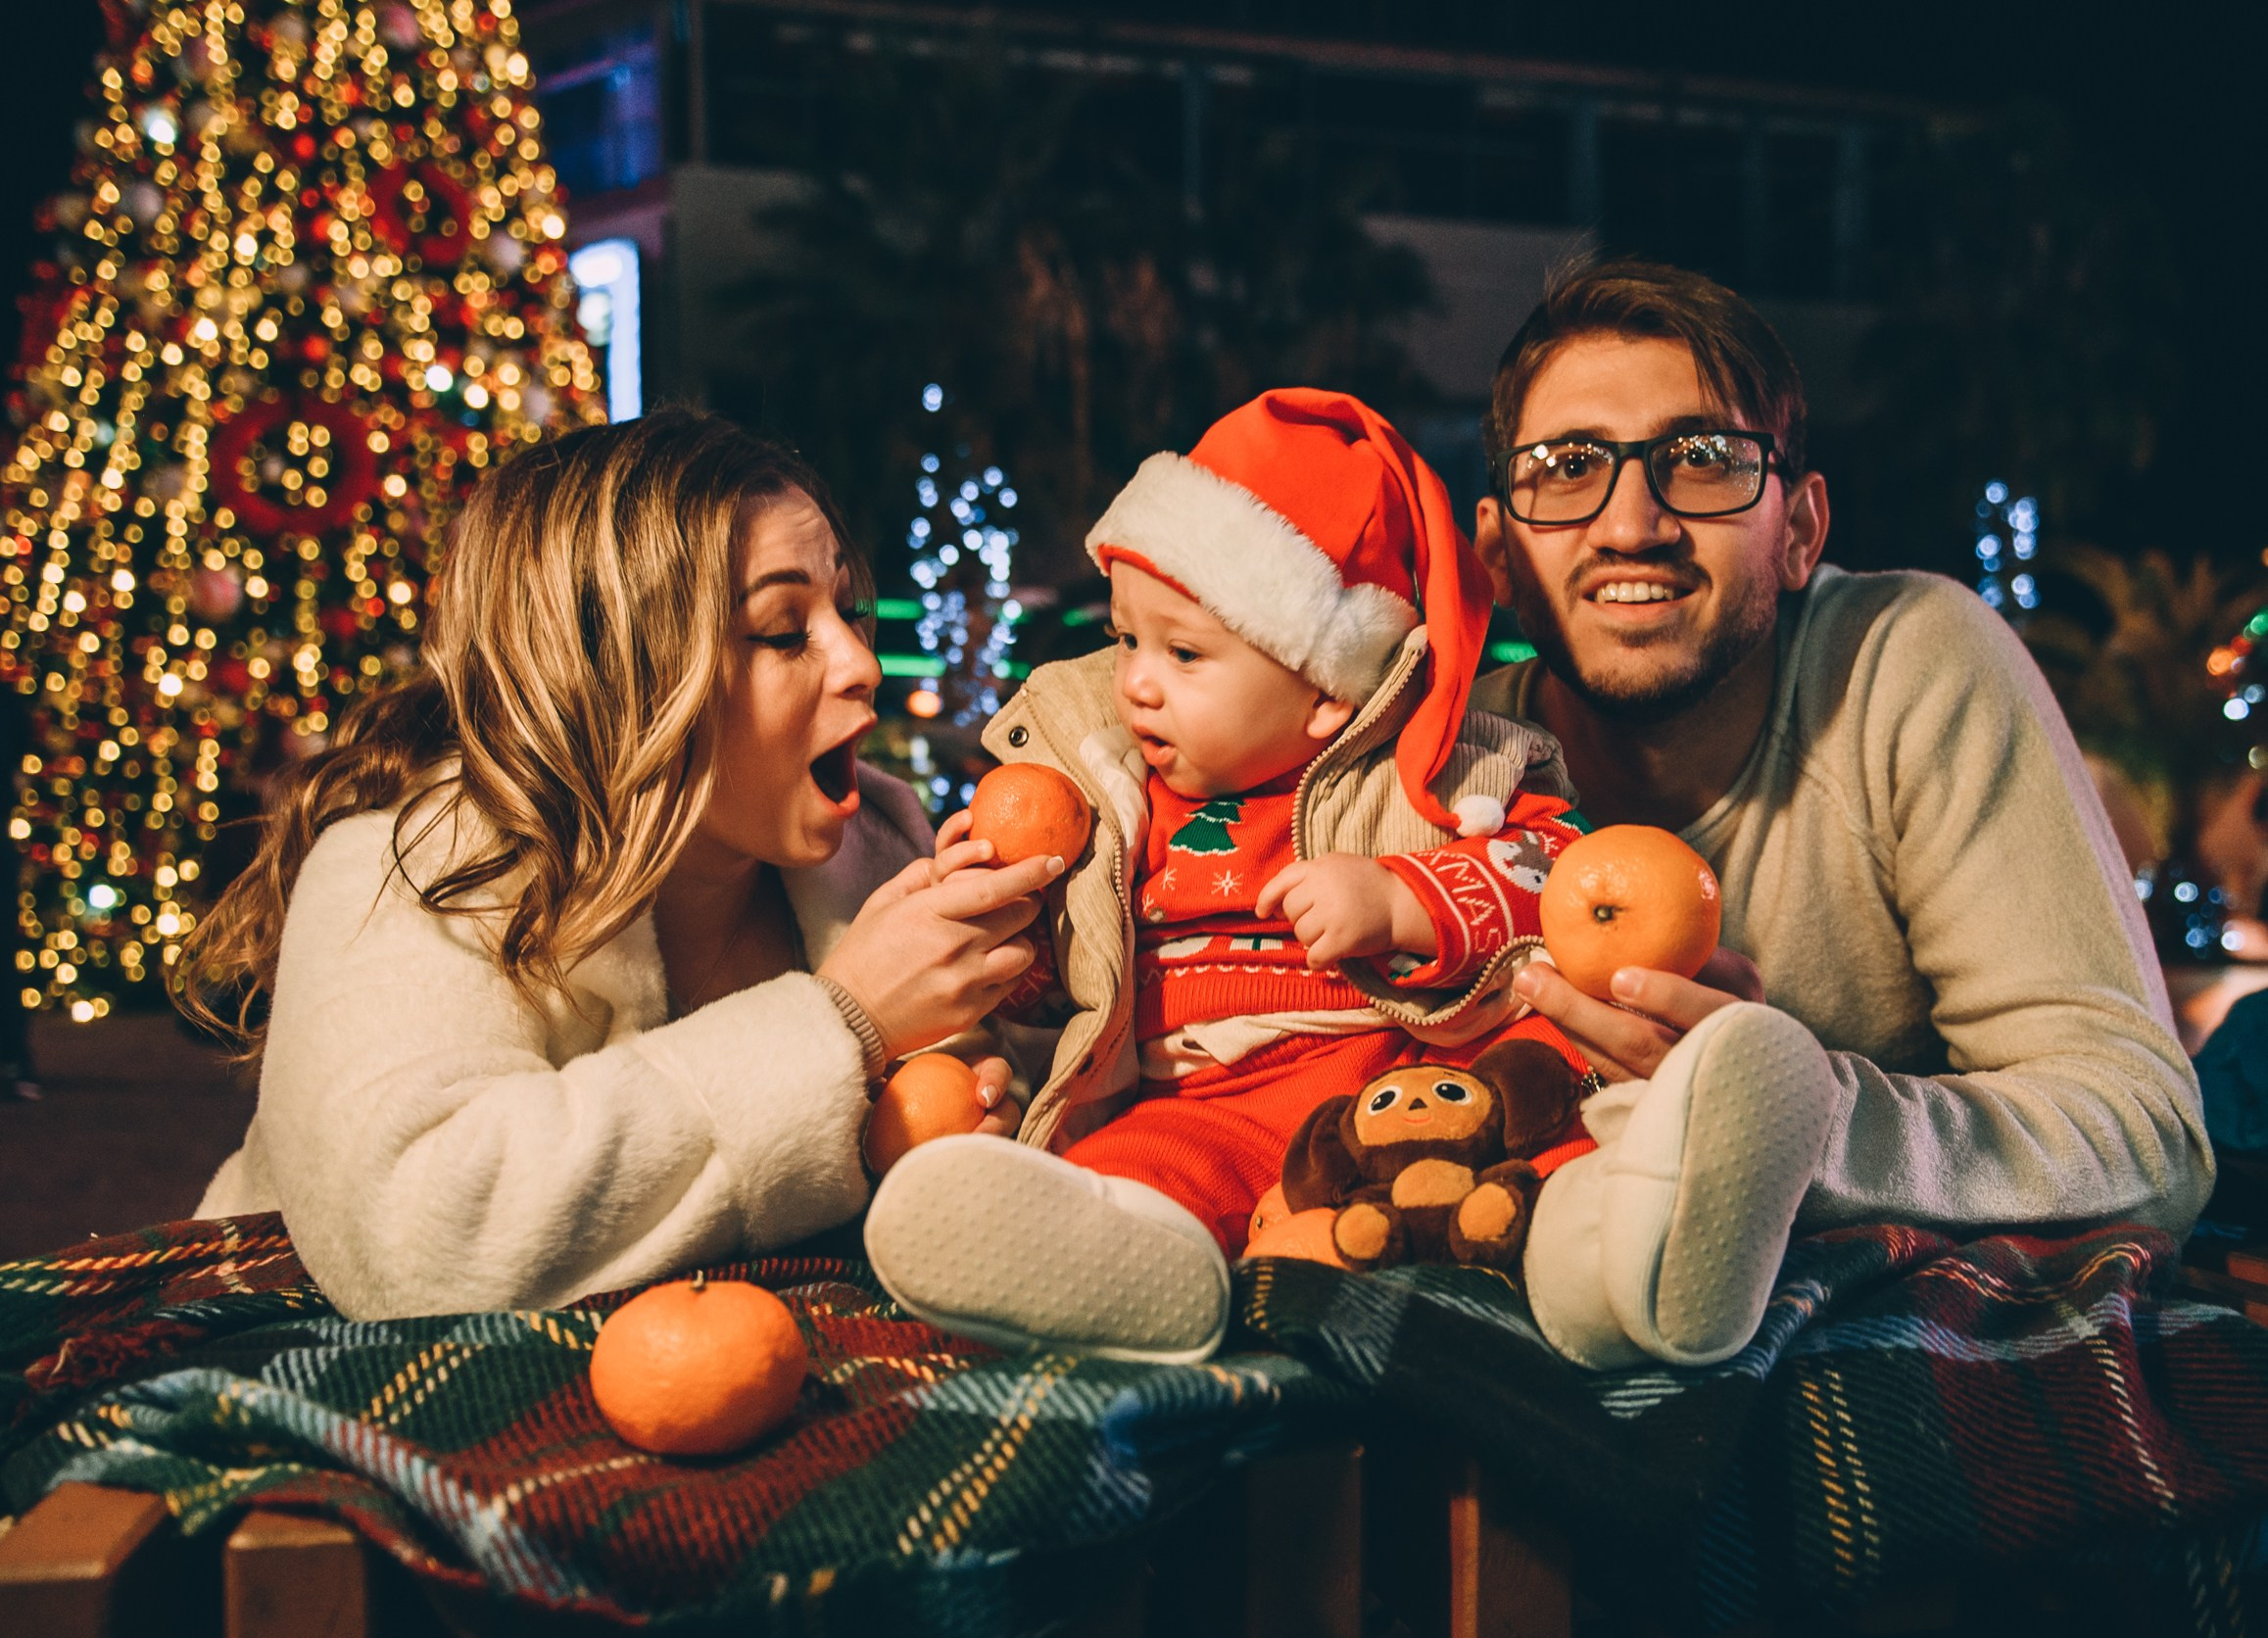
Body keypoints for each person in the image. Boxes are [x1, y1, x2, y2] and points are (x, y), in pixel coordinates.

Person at [1465, 260, 2213, 1369]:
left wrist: (1789, 1113)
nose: (1631, 522)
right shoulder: (1446, 771)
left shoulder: (1904, 666)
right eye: (1566, 467)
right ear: (1495, 553)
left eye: (1702, 459)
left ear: (1801, 530)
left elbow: (2144, 1135)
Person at [184, 410, 1055, 1321]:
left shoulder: (877, 840)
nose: (860, 663)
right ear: (622, 676)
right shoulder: (406, 872)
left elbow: (993, 1097)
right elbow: (417, 1235)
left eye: (847, 610)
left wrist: (966, 1111)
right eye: (783, 630)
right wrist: (845, 1021)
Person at [863, 389, 1593, 1363]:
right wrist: (1013, 929)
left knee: (1544, 1090)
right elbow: (1065, 996)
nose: (1135, 682)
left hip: (1399, 1085)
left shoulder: (1436, 769)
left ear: (1328, 694)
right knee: (1129, 1168)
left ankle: (1610, 1240)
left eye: (1183, 652)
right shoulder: (1108, 796)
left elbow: (1561, 880)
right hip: (1206, 1105)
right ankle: (1130, 1271)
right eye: (1126, 640)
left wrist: (1402, 900)